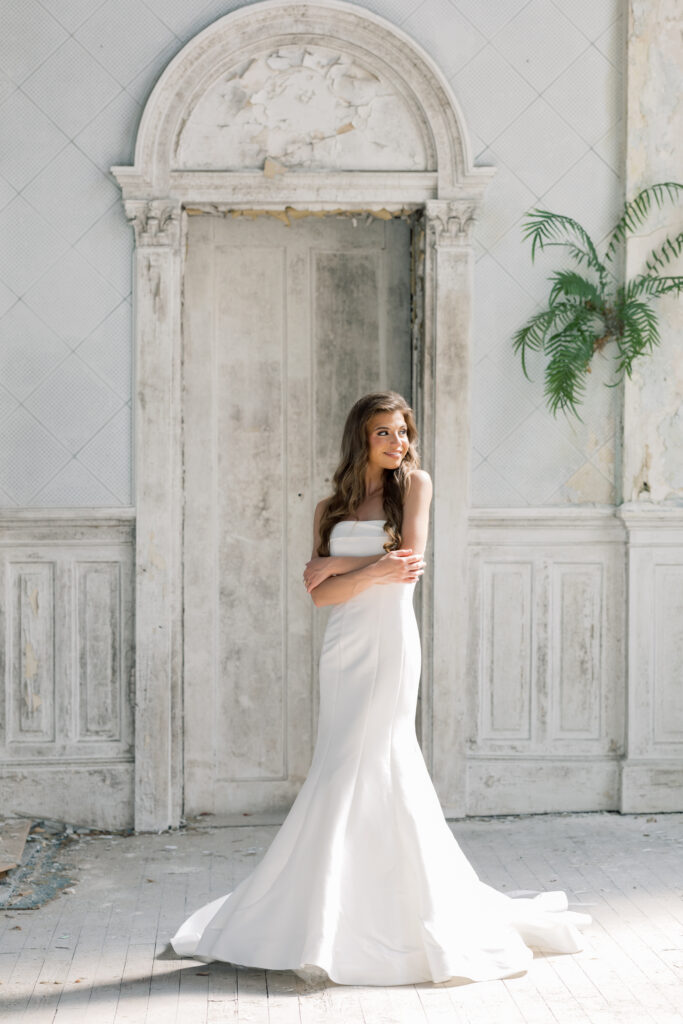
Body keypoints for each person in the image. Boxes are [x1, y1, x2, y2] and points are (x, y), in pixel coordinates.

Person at [169, 390, 592, 985]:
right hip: (343, 649)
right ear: (361, 440)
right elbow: (319, 597)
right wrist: (354, 573)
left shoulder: (415, 485)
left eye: (402, 432)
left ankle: (390, 915)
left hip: (391, 643)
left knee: (378, 761)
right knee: (340, 766)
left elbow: (407, 565)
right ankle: (327, 910)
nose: (398, 444)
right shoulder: (328, 508)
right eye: (384, 435)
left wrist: (344, 568)